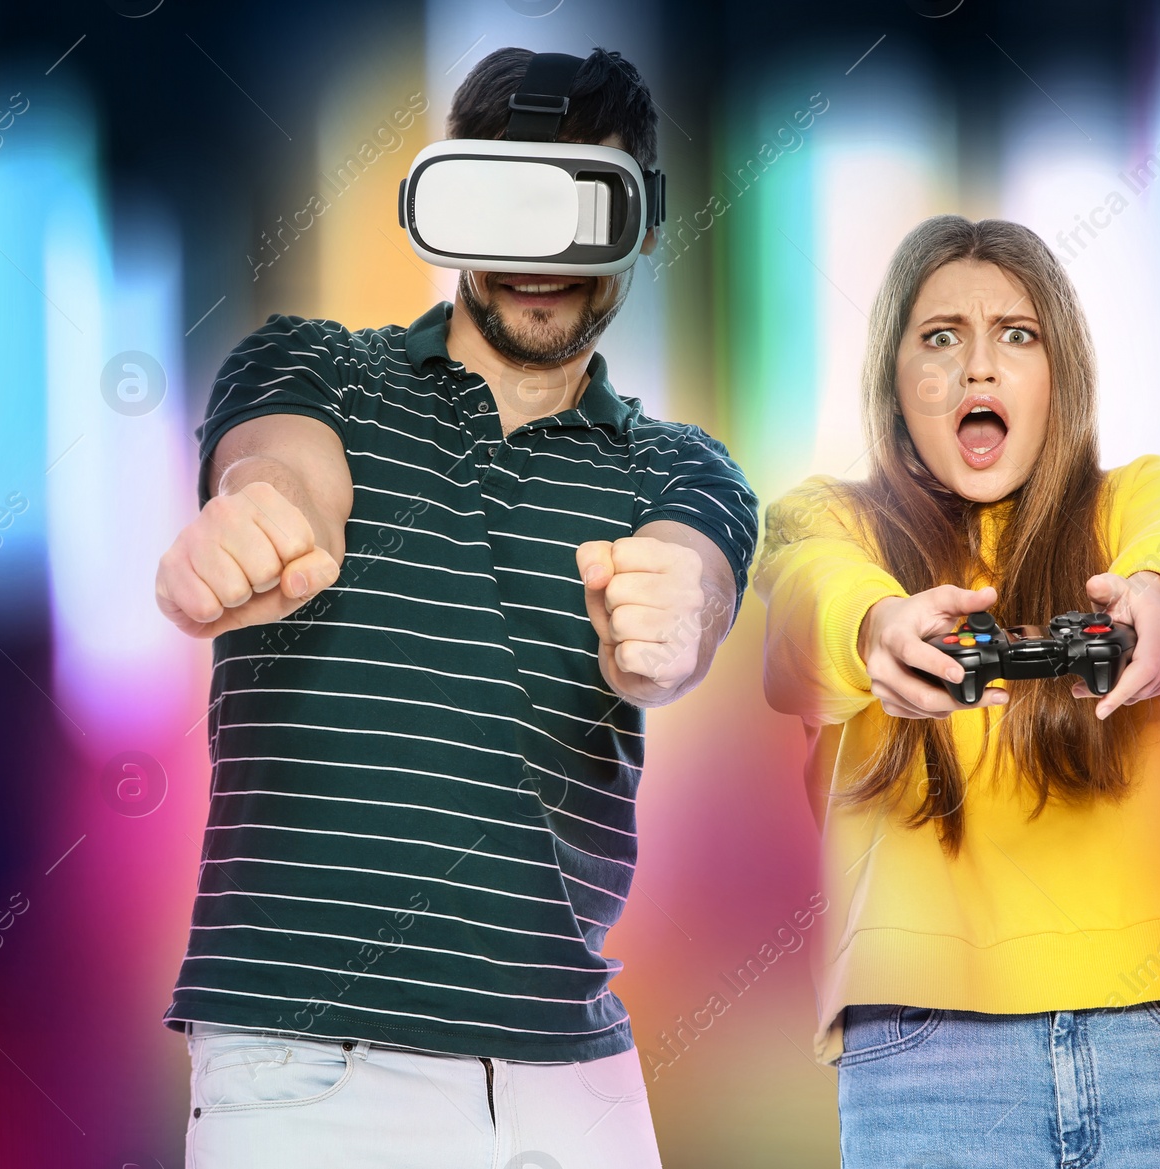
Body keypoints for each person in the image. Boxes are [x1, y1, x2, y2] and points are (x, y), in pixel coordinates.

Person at [154, 47, 757, 1169]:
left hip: (574, 1074)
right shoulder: (313, 364)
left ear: (644, 221)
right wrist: (259, 514)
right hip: (310, 1057)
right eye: (504, 199)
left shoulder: (683, 466)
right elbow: (283, 466)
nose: (538, 256)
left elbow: (692, 583)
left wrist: (678, 612)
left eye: (576, 205)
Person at [754, 215, 1160, 1168]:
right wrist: (875, 630)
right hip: (925, 1054)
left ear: (1059, 374)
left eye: (1018, 334)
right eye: (941, 337)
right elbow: (798, 619)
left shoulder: (1139, 499)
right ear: (895, 381)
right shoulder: (829, 521)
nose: (979, 370)